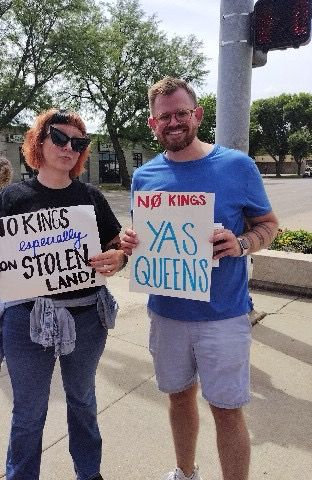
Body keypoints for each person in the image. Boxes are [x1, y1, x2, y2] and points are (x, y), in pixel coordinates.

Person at [121, 77, 279, 480]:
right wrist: (128, 239)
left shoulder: (236, 166)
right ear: (152, 123)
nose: (174, 122)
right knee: (178, 398)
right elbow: (144, 237)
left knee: (227, 410)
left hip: (223, 315)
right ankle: (185, 472)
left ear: (198, 115)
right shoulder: (144, 177)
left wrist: (242, 243)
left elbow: (268, 225)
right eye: (164, 117)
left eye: (181, 113)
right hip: (167, 314)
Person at [0, 109, 128, 480]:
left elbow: (117, 246)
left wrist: (118, 259)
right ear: (39, 141)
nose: (69, 147)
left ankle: (89, 474)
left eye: (79, 142)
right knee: (28, 413)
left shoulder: (91, 197)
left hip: (87, 317)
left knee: (83, 402)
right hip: (26, 319)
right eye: (59, 138)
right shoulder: (12, 197)